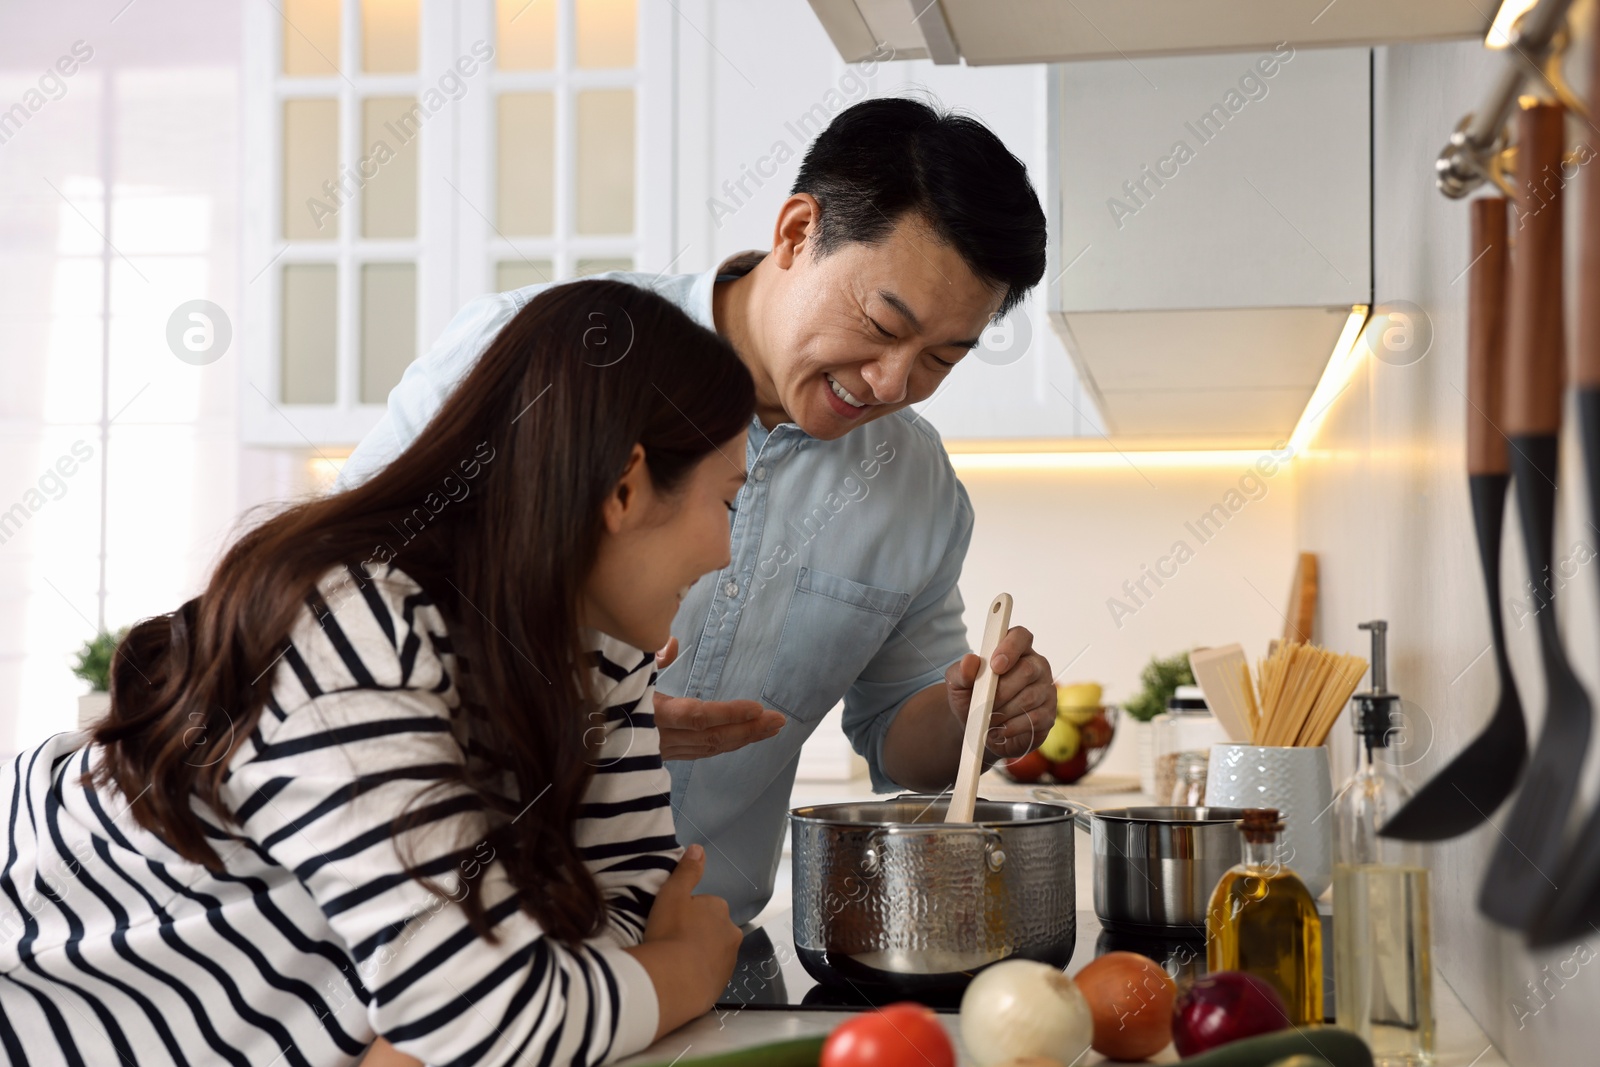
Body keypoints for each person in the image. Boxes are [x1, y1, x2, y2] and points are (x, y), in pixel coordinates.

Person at [339, 97, 1058, 923]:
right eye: (882, 324)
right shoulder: (546, 357)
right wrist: (582, 713)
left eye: (939, 357)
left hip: (700, 956)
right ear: (795, 232)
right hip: (452, 931)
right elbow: (333, 618)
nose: (894, 382)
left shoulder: (915, 484)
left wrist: (972, 719)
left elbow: (900, 731)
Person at [0, 281, 749, 1065]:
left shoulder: (601, 648)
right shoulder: (352, 628)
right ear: (625, 487)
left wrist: (477, 1014)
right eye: (726, 502)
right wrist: (685, 972)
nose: (726, 552)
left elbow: (616, 904)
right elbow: (498, 1017)